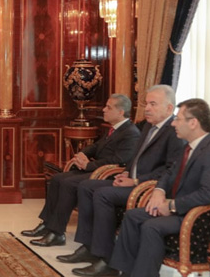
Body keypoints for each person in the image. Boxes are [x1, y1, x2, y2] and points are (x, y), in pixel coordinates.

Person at [102, 98, 210, 277]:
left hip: (202, 218)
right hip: (181, 209)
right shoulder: (189, 147)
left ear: (193, 123)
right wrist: (159, 191)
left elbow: (208, 194)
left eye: (178, 119)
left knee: (152, 226)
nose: (173, 123)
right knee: (134, 215)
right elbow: (169, 173)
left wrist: (171, 205)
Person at [60, 85, 185, 277]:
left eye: (153, 104)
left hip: (147, 188)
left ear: (169, 109)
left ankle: (105, 258)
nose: (147, 109)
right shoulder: (147, 126)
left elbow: (169, 170)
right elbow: (135, 157)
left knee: (103, 194)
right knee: (86, 186)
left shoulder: (174, 132)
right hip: (131, 180)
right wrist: (126, 172)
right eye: (146, 104)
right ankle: (89, 246)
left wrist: (135, 181)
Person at [22, 94, 140, 247]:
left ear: (120, 112)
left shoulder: (131, 133)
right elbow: (97, 146)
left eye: (108, 107)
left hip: (108, 175)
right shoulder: (114, 129)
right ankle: (47, 224)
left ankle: (57, 233)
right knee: (58, 179)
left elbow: (118, 161)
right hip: (97, 169)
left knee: (69, 183)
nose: (104, 110)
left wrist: (88, 166)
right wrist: (84, 153)